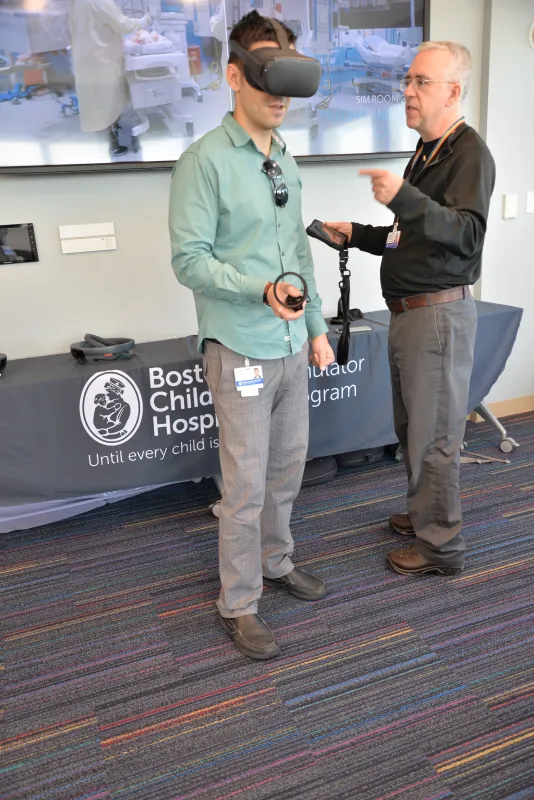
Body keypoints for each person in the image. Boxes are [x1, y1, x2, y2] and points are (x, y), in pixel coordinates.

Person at [169, 11, 334, 660]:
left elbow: (299, 251)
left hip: (292, 348)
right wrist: (257, 289)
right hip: (239, 346)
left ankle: (276, 561)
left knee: (287, 471)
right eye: (268, 74)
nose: (279, 93)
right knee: (243, 489)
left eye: (288, 77)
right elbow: (189, 261)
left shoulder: (283, 157)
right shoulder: (204, 162)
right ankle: (238, 603)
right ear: (235, 76)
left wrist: (316, 328)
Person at [328, 41, 495, 577]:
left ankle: (440, 547)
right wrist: (359, 234)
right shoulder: (427, 152)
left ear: (452, 91)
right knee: (414, 433)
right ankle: (425, 515)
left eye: (422, 81)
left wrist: (404, 196)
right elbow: (410, 237)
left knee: (435, 439)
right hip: (410, 316)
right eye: (408, 80)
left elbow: (465, 235)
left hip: (437, 319)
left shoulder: (469, 154)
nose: (407, 90)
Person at [68, 0, 151, 155]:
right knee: (108, 98)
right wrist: (144, 21)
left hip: (85, 56)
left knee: (96, 98)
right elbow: (123, 25)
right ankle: (113, 143)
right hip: (102, 58)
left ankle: (106, 129)